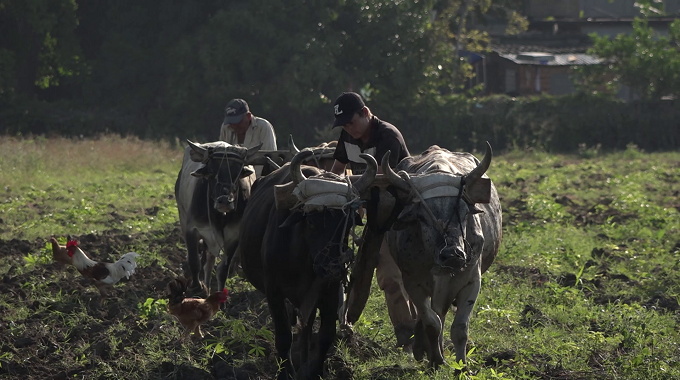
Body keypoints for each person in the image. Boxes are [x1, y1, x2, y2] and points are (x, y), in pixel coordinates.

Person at [329, 92, 416, 349]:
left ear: (365, 113)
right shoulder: (348, 136)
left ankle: (412, 334)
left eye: (351, 122)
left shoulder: (388, 135)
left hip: (400, 216)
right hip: (373, 213)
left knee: (393, 276)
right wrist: (325, 187)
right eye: (343, 125)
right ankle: (402, 332)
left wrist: (350, 190)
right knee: (381, 275)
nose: (348, 128)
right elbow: (336, 169)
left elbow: (379, 178)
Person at [219, 98, 277, 177]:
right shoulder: (226, 128)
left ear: (249, 116)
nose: (234, 126)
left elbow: (271, 160)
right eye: (231, 122)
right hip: (232, 182)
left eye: (237, 121)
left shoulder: (263, 127)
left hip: (259, 182)